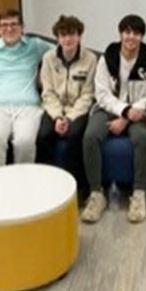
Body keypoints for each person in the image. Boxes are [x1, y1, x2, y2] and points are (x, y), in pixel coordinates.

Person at [80, 14, 146, 224]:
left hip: (137, 111)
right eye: (127, 32)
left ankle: (139, 194)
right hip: (109, 108)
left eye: (136, 33)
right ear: (120, 34)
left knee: (143, 138)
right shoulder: (107, 58)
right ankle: (96, 194)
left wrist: (127, 117)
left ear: (141, 36)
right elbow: (102, 94)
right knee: (90, 136)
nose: (131, 37)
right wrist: (124, 111)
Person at [0, 9, 53, 170]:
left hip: (28, 106)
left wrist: (44, 77)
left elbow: (62, 50)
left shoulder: (35, 45)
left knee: (25, 142)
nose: (9, 29)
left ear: (22, 27)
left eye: (14, 24)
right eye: (4, 25)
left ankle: (21, 187)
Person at [36, 14, 97, 186]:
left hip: (78, 110)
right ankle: (46, 183)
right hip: (53, 108)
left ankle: (75, 186)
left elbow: (87, 95)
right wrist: (57, 117)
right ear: (57, 37)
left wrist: (69, 118)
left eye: (72, 34)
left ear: (79, 36)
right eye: (63, 35)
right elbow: (47, 92)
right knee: (42, 135)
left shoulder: (90, 59)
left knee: (74, 136)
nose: (68, 39)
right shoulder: (48, 58)